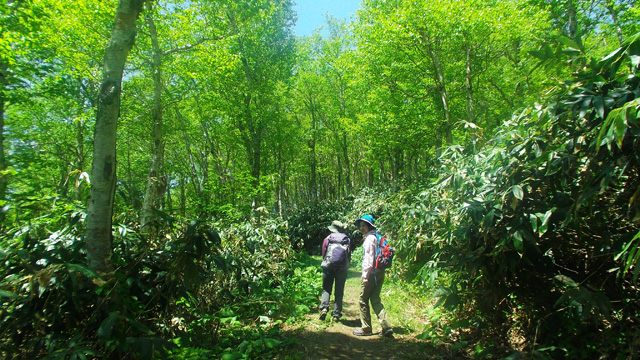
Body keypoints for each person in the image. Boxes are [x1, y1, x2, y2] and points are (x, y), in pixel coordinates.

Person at [352, 214, 394, 337]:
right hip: (380, 272)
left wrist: (365, 276)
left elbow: (368, 259)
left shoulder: (370, 239)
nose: (361, 228)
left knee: (363, 300)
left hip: (371, 274)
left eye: (364, 226)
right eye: (360, 226)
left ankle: (366, 328)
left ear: (369, 226)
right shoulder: (377, 236)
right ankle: (386, 327)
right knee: (375, 298)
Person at [319, 220, 352, 322]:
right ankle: (336, 314)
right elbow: (349, 254)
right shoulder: (346, 239)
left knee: (326, 289)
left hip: (328, 267)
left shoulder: (327, 239)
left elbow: (324, 254)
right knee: (339, 291)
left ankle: (324, 308)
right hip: (341, 269)